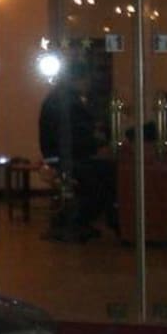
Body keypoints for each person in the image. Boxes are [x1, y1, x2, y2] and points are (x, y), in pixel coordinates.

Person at [38, 59, 103, 241]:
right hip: (67, 157)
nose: (89, 84)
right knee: (102, 179)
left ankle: (74, 221)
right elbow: (78, 136)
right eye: (87, 79)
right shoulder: (69, 102)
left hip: (55, 156)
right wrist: (98, 142)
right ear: (79, 79)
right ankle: (75, 221)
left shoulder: (58, 98)